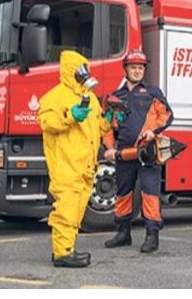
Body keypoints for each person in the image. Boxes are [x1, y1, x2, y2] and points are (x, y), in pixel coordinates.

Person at [38, 50, 112, 267]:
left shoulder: (89, 98)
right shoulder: (55, 97)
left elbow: (97, 127)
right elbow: (47, 122)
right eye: (81, 69)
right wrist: (70, 115)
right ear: (71, 71)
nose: (84, 73)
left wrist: (108, 120)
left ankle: (67, 248)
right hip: (66, 165)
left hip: (85, 166)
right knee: (67, 210)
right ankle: (62, 254)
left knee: (78, 209)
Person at [102, 50, 173, 253]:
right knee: (123, 193)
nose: (137, 71)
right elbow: (106, 126)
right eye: (133, 67)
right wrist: (109, 148)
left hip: (147, 152)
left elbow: (167, 115)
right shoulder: (115, 98)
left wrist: (153, 131)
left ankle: (152, 236)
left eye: (140, 68)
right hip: (124, 153)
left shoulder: (153, 93)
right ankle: (123, 233)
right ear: (125, 69)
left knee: (150, 193)